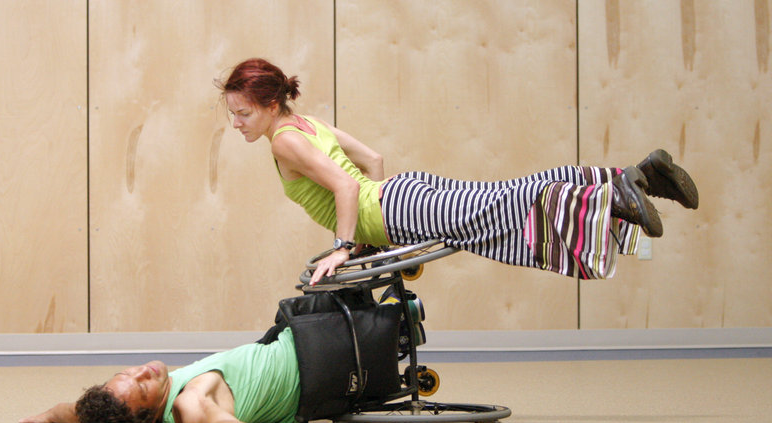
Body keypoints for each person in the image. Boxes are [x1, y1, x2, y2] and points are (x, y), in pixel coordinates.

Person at [215, 58, 699, 285]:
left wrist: (347, 246)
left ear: (271, 103)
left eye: (243, 114)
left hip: (395, 208)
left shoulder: (285, 141)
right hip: (403, 194)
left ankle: (614, 199)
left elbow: (344, 184)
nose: (236, 124)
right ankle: (636, 174)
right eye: (232, 115)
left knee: (507, 208)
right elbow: (374, 161)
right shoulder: (308, 122)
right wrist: (373, 223)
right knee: (511, 192)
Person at [19, 327, 302, 423]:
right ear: (150, 415)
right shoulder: (187, 404)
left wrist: (51, 414)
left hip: (291, 339)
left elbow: (77, 412)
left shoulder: (122, 412)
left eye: (127, 372)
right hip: (315, 357)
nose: (142, 371)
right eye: (142, 386)